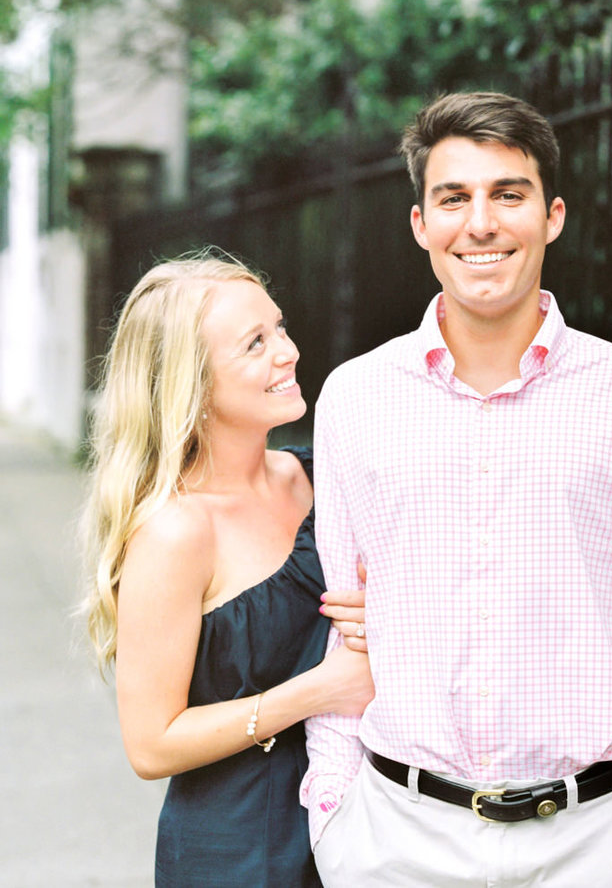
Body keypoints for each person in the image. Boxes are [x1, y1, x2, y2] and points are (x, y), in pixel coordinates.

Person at [302, 91, 612, 886]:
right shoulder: (356, 397)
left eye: (508, 194)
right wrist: (333, 813)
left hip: (595, 844)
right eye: (454, 197)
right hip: (395, 841)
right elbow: (343, 622)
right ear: (421, 223)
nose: (482, 223)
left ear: (552, 216)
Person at [81, 251, 373, 888]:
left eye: (280, 327)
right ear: (193, 385)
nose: (288, 351)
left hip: (362, 829)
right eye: (255, 344)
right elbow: (151, 744)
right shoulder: (175, 531)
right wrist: (319, 690)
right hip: (242, 852)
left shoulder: (320, 474)